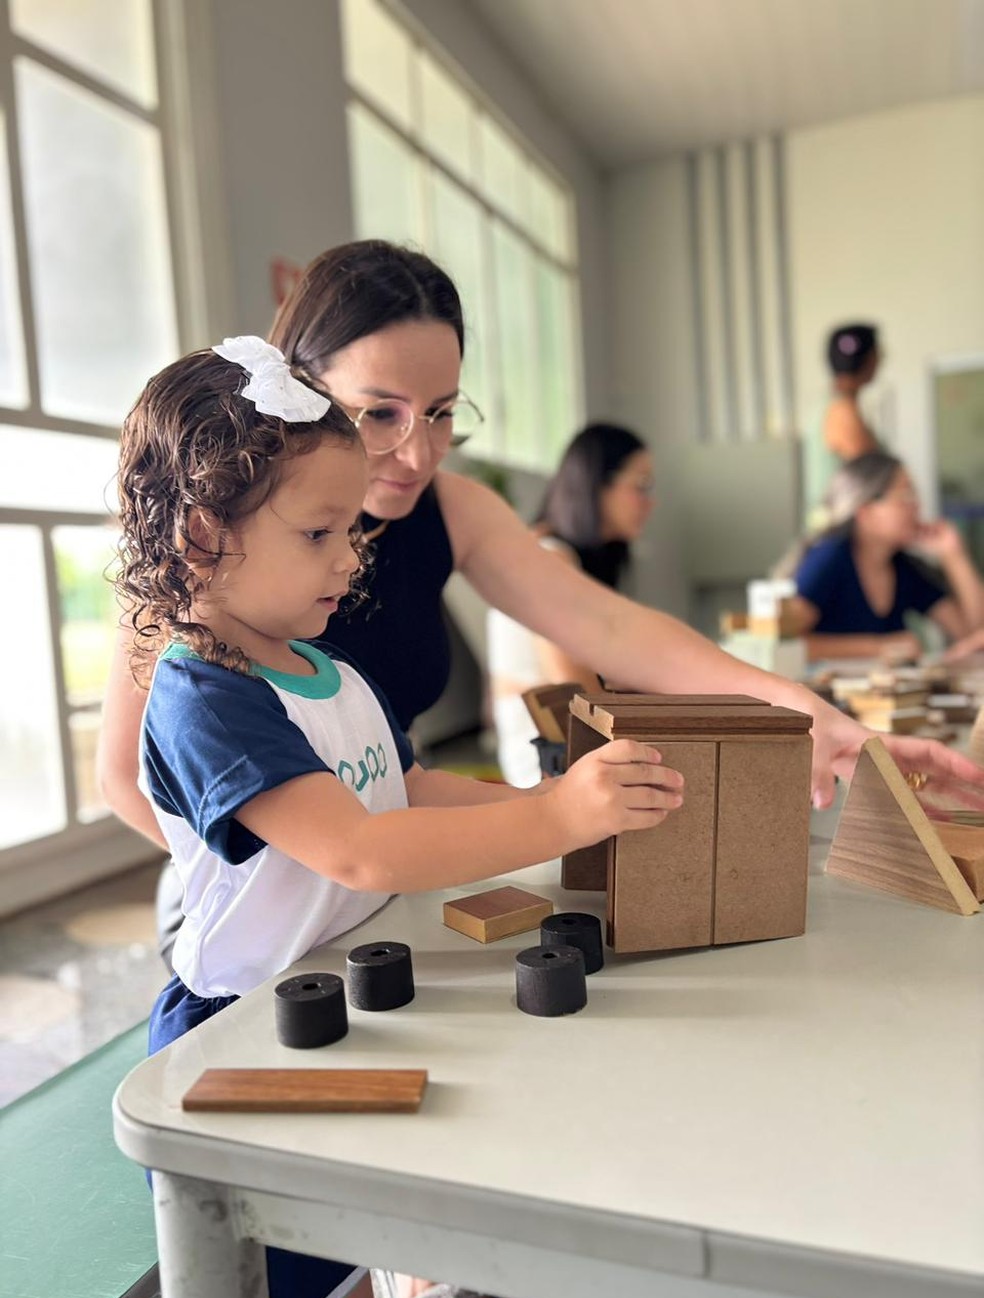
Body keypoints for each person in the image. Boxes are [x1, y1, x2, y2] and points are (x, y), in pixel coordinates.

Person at [97, 240, 984, 905]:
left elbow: (615, 630)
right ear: (300, 393)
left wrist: (815, 720)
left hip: (380, 869)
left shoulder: (450, 510)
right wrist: (264, 889)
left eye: (442, 412)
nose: (416, 452)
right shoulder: (203, 573)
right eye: (379, 413)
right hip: (276, 893)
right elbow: (128, 777)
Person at [116, 336, 682, 1298]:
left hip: (347, 995)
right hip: (247, 1036)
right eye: (317, 535)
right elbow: (359, 845)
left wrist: (568, 811)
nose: (349, 558)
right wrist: (554, 814)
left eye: (348, 533)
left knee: (372, 1236)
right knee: (281, 1274)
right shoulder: (206, 691)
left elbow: (407, 790)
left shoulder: (324, 667)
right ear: (206, 536)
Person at [487, 422, 655, 785]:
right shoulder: (548, 557)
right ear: (597, 486)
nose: (649, 502)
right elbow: (576, 693)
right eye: (640, 486)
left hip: (563, 742)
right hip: (545, 754)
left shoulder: (566, 557)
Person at [780, 451, 984, 662]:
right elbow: (784, 643)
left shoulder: (903, 567)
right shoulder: (829, 559)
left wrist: (954, 555)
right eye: (905, 496)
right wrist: (879, 647)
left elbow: (972, 634)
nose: (916, 506)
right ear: (865, 511)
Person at [802, 323, 882, 528]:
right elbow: (875, 479)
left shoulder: (833, 405)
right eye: (879, 354)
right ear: (869, 360)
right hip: (840, 533)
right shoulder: (842, 411)